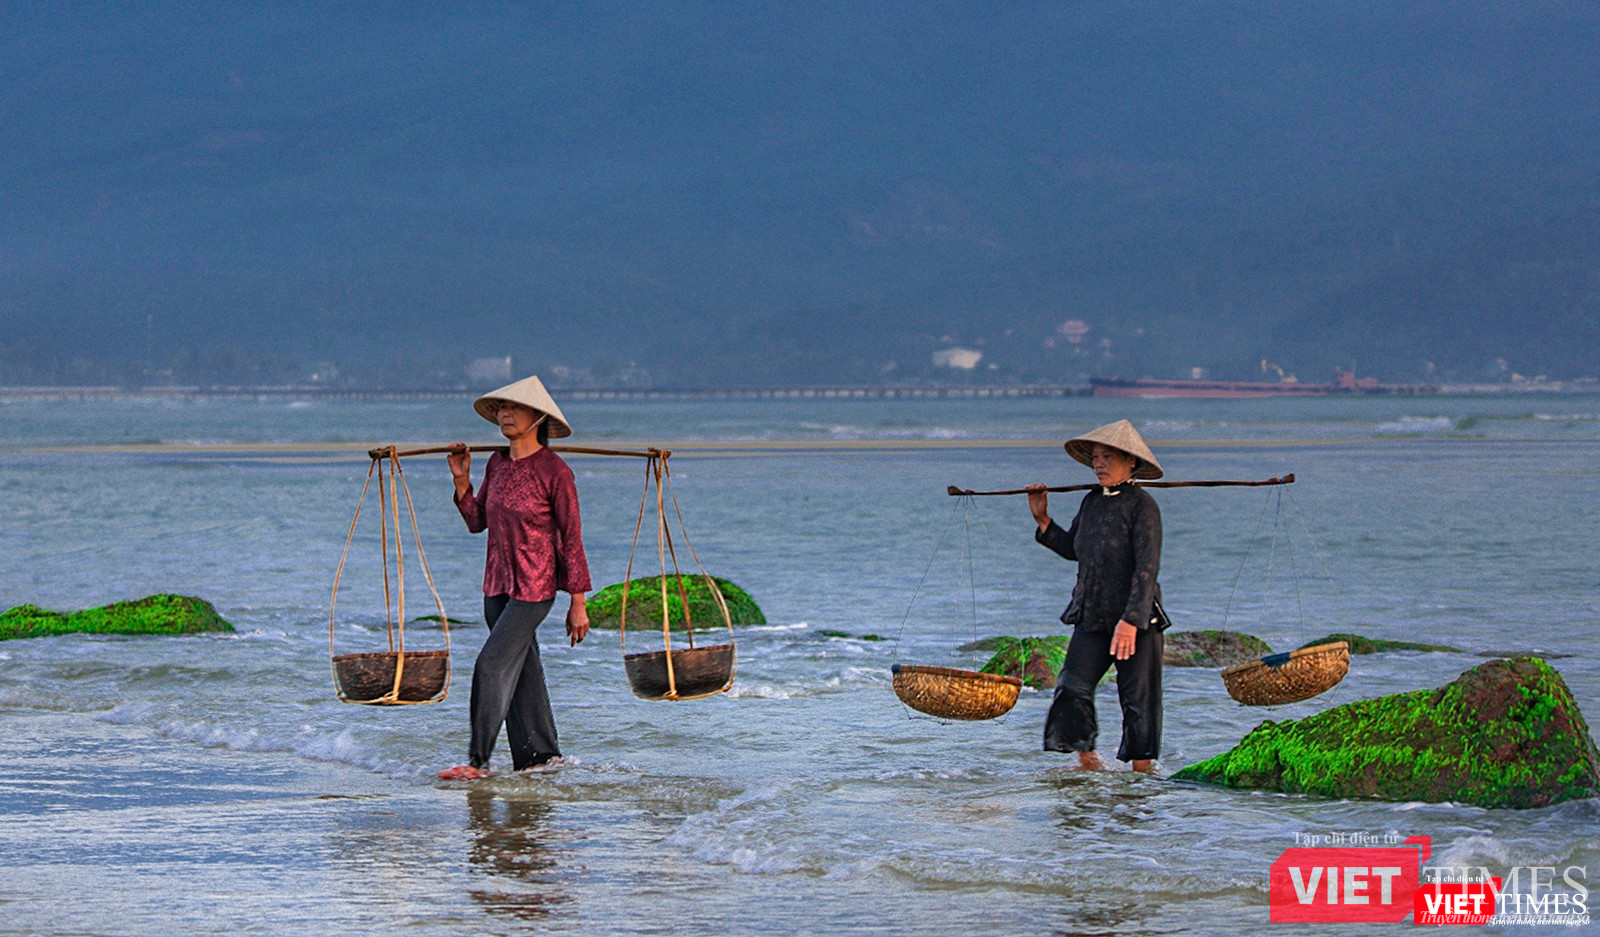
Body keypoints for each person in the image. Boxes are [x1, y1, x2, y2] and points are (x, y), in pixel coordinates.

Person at [438, 375, 591, 780]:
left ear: (537, 417)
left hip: (535, 589)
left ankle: (478, 763)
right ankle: (540, 759)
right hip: (497, 588)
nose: (505, 413)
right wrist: (461, 480)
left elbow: (572, 539)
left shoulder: (555, 472)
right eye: (501, 408)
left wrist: (578, 602)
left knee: (490, 665)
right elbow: (477, 522)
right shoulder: (497, 464)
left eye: (514, 408)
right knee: (524, 673)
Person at [1025, 419, 1168, 773]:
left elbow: (1146, 570)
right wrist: (1043, 520)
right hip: (1091, 615)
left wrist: (1130, 622)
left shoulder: (1143, 506)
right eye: (1095, 458)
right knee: (1071, 687)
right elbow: (1075, 548)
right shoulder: (1091, 501)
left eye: (1107, 457)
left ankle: (1142, 777)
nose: (1099, 464)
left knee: (1138, 701)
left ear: (1130, 462)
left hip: (1136, 621)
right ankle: (1089, 763)